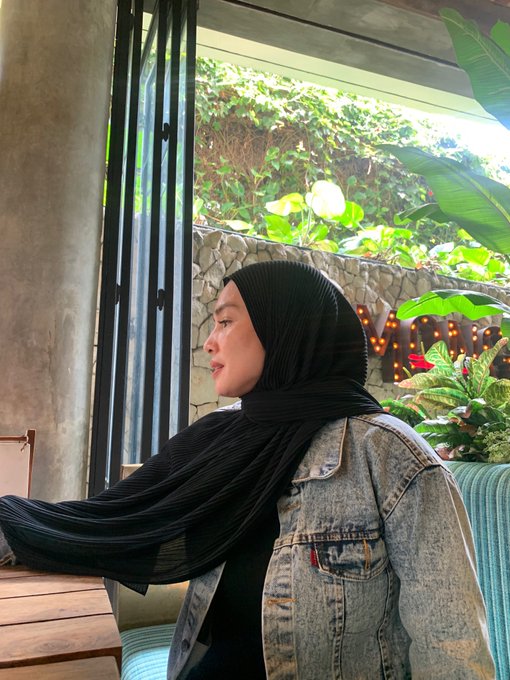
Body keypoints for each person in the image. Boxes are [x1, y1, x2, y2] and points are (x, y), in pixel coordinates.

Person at [0, 260, 495, 679]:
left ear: (284, 328)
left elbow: (451, 648)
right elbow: (114, 520)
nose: (209, 342)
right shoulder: (226, 433)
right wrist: (13, 526)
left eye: (225, 322)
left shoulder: (392, 459)